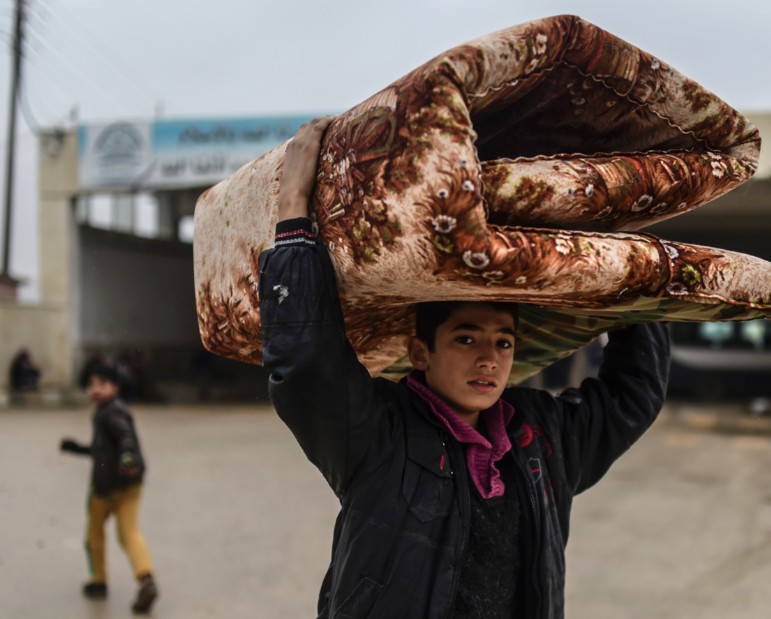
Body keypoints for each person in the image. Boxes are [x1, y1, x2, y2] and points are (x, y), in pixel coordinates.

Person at [259, 118, 671, 618]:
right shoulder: (380, 436)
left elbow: (633, 395)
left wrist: (631, 270)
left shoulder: (542, 439)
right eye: (466, 337)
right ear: (420, 353)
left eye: (503, 341)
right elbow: (306, 367)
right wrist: (294, 213)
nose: (488, 358)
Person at [59, 364, 158, 614]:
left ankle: (99, 581)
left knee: (95, 536)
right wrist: (77, 449)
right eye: (91, 384)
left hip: (106, 488)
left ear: (115, 387)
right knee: (128, 533)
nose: (95, 390)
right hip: (128, 483)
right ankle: (145, 578)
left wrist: (127, 455)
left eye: (102, 384)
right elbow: (102, 451)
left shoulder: (111, 413)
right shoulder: (107, 412)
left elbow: (125, 437)